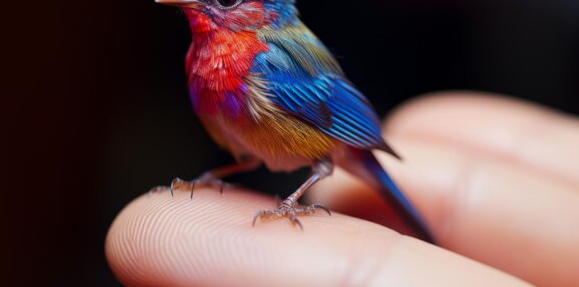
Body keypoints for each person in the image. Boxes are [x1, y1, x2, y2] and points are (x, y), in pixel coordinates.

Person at [106, 92, 579, 287]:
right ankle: (215, 181)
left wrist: (290, 201)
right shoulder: (203, 64)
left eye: (225, 0)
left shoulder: (266, 57)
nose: (193, 5)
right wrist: (213, 177)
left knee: (323, 169)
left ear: (258, 8)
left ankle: (297, 199)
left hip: (335, 141)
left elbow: (331, 103)